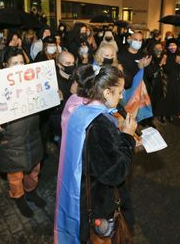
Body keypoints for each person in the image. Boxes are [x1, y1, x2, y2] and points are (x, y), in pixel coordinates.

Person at [55, 66, 136, 243]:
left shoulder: (81, 107)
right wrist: (128, 138)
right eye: (120, 92)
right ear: (107, 92)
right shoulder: (100, 124)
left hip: (82, 190)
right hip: (99, 199)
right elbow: (114, 173)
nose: (122, 96)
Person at [0, 47, 45, 217]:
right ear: (5, 66)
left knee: (33, 172)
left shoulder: (34, 82)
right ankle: (19, 198)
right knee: (15, 178)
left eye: (21, 62)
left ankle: (31, 192)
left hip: (33, 139)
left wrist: (54, 95)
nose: (19, 67)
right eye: (14, 64)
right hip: (10, 144)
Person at [153, 39, 180, 122]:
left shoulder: (178, 56)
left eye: (174, 45)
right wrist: (165, 60)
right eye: (170, 45)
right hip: (165, 81)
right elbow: (165, 69)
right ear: (167, 47)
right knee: (164, 98)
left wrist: (179, 63)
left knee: (173, 98)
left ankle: (170, 114)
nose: (172, 47)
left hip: (175, 81)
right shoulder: (165, 56)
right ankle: (162, 115)